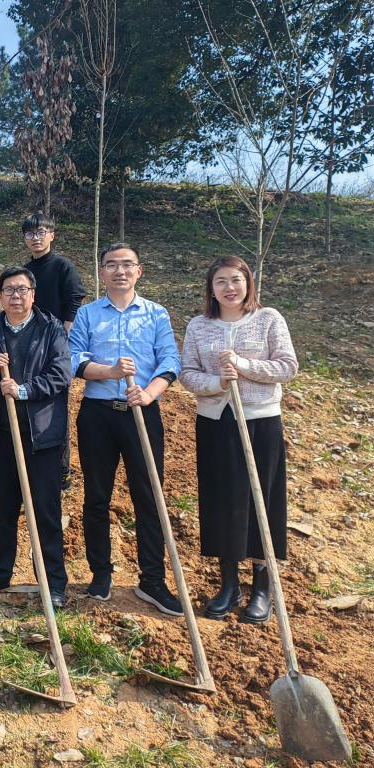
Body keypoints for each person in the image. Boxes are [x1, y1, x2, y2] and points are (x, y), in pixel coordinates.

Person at [180, 256, 298, 623]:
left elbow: (287, 367)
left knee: (264, 499)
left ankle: (261, 586)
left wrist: (243, 366)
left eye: (236, 280)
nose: (229, 288)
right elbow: (187, 373)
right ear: (211, 288)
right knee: (222, 500)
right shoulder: (199, 326)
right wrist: (217, 382)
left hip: (260, 421)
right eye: (221, 281)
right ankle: (228, 583)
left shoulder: (268, 319)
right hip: (216, 422)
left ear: (248, 283)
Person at [69, 243, 183, 616]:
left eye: (127, 265)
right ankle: (100, 573)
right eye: (112, 265)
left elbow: (171, 360)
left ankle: (152, 580)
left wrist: (149, 394)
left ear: (139, 271)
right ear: (101, 272)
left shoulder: (156, 314)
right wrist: (111, 372)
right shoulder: (87, 314)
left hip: (142, 413)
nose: (120, 271)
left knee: (149, 497)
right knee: (96, 497)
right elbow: (75, 359)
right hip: (98, 415)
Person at [0, 267, 72, 607]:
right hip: (2, 433)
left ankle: (53, 582)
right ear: (0, 296)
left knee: (45, 509)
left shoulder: (51, 329)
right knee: (3, 507)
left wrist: (24, 389)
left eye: (22, 289)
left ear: (33, 294)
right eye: (9, 290)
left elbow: (61, 374)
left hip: (43, 435)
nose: (16, 296)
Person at [21, 211, 87, 490]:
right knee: (31, 403)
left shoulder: (62, 266)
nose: (36, 238)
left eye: (41, 232)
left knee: (56, 406)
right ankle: (30, 463)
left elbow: (74, 298)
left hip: (56, 344)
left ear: (51, 235)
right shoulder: (26, 271)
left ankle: (61, 470)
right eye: (30, 233)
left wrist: (64, 334)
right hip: (29, 344)